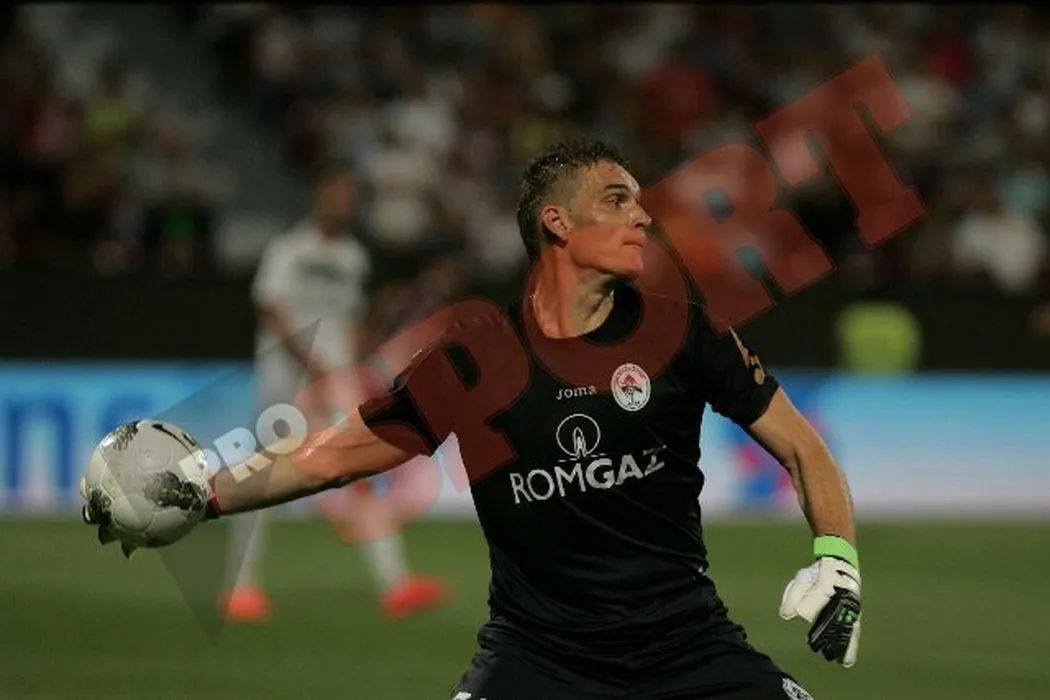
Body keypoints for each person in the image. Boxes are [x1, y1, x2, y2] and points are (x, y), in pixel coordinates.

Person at [86, 139, 861, 698]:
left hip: (690, 651)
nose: (644, 218)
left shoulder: (683, 332)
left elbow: (804, 449)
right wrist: (205, 493)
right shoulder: (473, 358)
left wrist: (837, 561)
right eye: (617, 201)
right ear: (558, 223)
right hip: (538, 662)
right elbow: (334, 454)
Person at [225, 161, 447, 622]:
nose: (344, 202)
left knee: (359, 468)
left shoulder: (352, 258)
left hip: (331, 380)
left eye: (350, 195)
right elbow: (271, 312)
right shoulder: (289, 250)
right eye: (337, 192)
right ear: (319, 195)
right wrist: (313, 368)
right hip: (286, 381)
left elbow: (348, 326)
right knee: (265, 476)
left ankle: (395, 584)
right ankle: (240, 586)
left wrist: (368, 339)